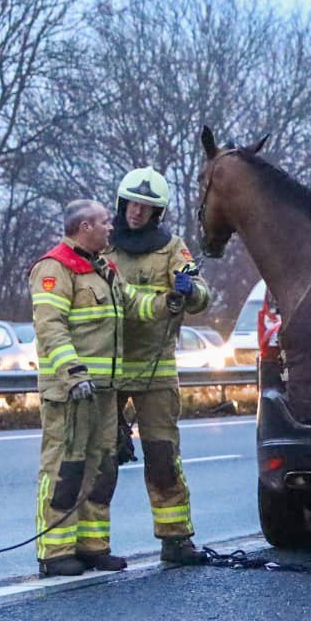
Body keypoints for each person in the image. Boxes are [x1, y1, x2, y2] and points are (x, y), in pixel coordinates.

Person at [29, 199, 196, 577]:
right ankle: (54, 551)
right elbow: (50, 329)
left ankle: (92, 546)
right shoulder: (55, 269)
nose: (112, 227)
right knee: (65, 469)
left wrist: (166, 302)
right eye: (105, 222)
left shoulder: (101, 268)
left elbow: (133, 302)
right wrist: (73, 373)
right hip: (72, 390)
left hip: (104, 390)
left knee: (101, 469)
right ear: (85, 227)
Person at [102, 168, 212, 566]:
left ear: (156, 214)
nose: (136, 213)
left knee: (163, 456)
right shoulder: (104, 244)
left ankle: (176, 539)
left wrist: (190, 290)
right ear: (121, 204)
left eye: (145, 208)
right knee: (101, 460)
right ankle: (92, 546)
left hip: (156, 369)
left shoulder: (171, 248)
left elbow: (201, 294)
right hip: (108, 368)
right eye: (131, 204)